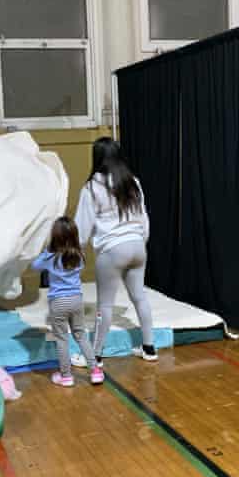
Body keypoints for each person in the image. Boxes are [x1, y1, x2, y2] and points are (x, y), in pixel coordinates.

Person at [74, 137, 156, 367]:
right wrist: (140, 242)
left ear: (97, 158)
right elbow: (144, 219)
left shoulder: (92, 187)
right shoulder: (133, 183)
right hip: (138, 246)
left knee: (105, 305)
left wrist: (76, 249)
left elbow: (82, 227)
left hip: (112, 250)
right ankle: (149, 348)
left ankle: (95, 356)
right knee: (140, 297)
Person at [31, 217, 105, 388]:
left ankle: (66, 376)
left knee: (62, 339)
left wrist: (45, 251)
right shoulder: (80, 254)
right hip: (77, 300)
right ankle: (95, 371)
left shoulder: (51, 256)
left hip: (58, 302)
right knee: (81, 335)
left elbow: (35, 266)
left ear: (55, 236)